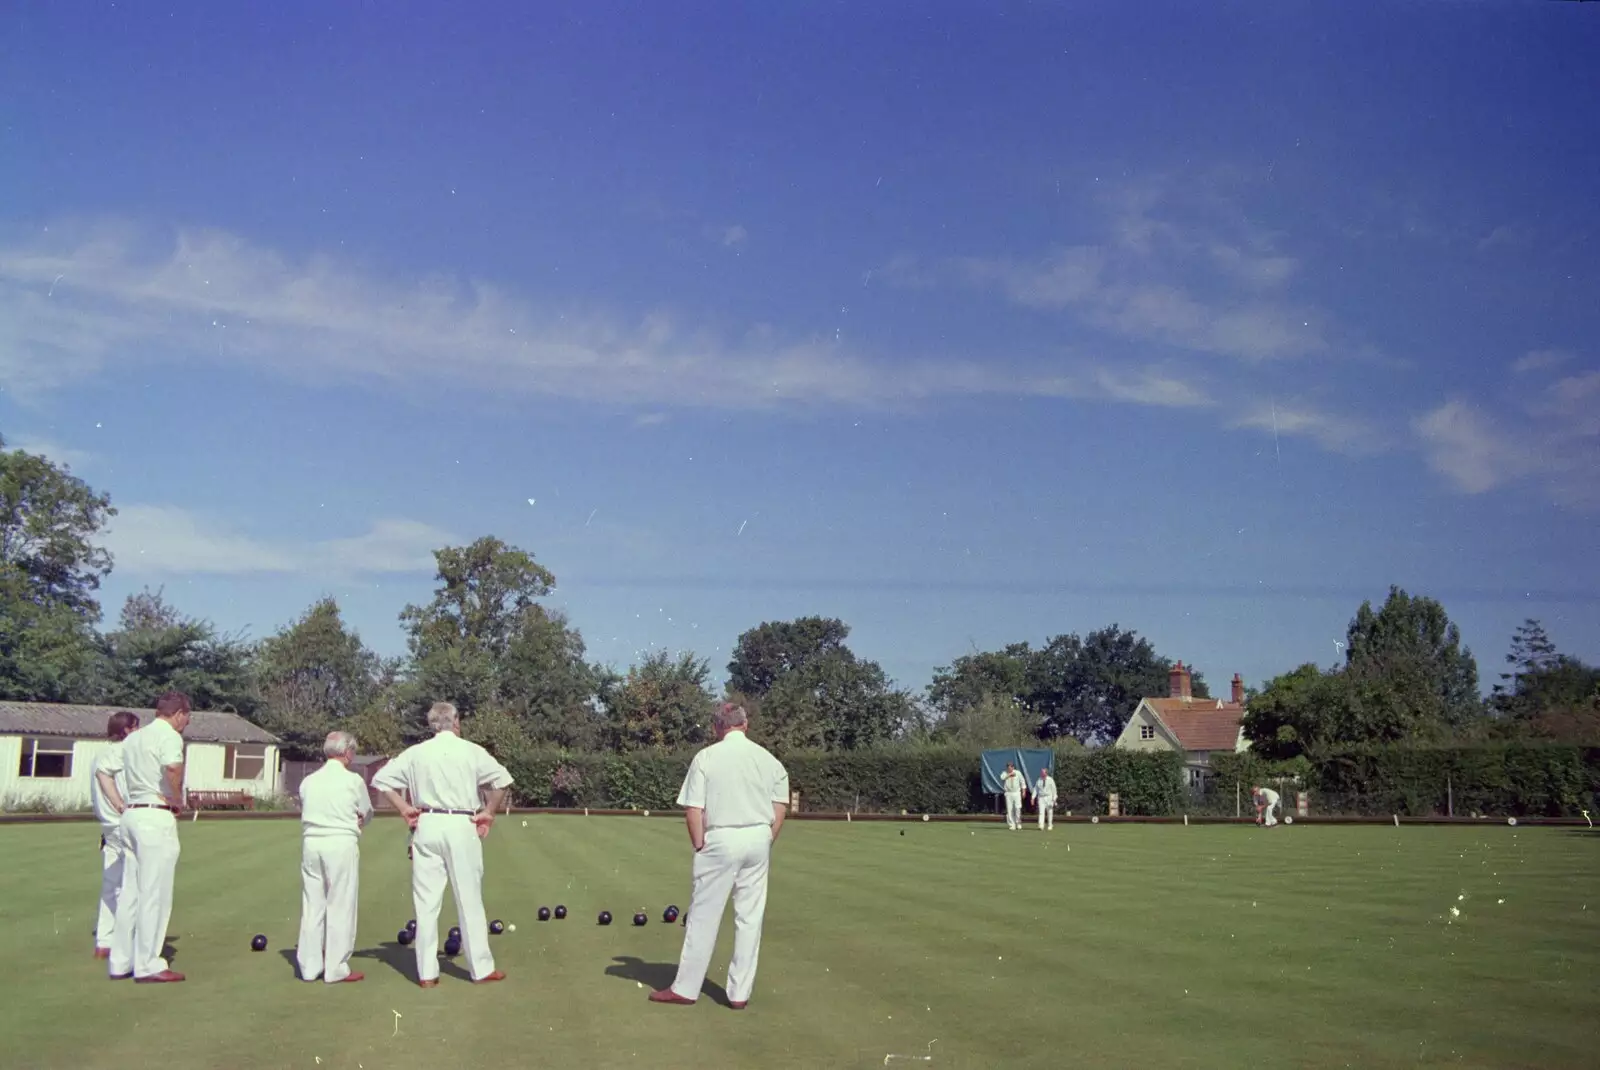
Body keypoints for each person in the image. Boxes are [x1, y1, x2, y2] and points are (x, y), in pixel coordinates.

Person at [650, 702, 789, 1011]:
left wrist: (699, 845)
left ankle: (686, 988)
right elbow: (780, 806)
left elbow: (693, 810)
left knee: (703, 916)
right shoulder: (769, 760)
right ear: (745, 724)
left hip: (720, 839)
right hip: (758, 838)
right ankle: (739, 994)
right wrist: (767, 838)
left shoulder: (706, 757)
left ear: (717, 728)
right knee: (749, 917)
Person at [372, 701, 512, 987]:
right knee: (469, 899)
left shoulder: (415, 753)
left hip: (427, 824)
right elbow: (501, 782)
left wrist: (403, 808)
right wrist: (489, 812)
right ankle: (481, 970)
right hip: (462, 824)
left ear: (432, 724)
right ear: (456, 721)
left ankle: (426, 974)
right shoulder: (471, 750)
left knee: (426, 903)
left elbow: (380, 780)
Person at [108, 691, 190, 984]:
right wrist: (178, 798)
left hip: (130, 815)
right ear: (178, 713)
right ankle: (148, 964)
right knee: (155, 892)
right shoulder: (169, 736)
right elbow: (172, 767)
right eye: (187, 717)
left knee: (131, 891)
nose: (186, 723)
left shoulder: (133, 738)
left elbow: (108, 770)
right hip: (155, 814)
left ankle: (120, 961)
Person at [296, 730, 373, 984]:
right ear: (348, 752)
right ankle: (336, 968)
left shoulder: (308, 781)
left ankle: (309, 967)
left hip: (311, 844)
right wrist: (361, 821)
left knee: (312, 905)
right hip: (340, 843)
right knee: (340, 905)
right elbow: (367, 811)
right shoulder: (353, 781)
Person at [90, 711, 141, 959]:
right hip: (123, 823)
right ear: (127, 730)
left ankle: (104, 941)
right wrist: (121, 805)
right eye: (137, 727)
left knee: (111, 885)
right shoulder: (123, 752)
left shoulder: (98, 753)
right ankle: (126, 942)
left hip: (107, 826)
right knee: (133, 884)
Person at [1000, 761, 1029, 831]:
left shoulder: (1018, 773)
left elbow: (1022, 782)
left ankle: (1018, 823)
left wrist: (1023, 792)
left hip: (1016, 793)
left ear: (1013, 767)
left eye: (1010, 768)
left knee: (1017, 808)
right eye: (1008, 768)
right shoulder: (1005, 773)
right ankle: (1012, 825)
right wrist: (1009, 775)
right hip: (1008, 793)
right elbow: (1002, 778)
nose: (1009, 769)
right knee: (1009, 809)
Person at [1034, 765, 1057, 831]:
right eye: (1041, 773)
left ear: (1046, 773)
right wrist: (1033, 797)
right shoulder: (1039, 780)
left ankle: (1050, 825)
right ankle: (1041, 825)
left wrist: (1054, 799)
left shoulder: (1050, 780)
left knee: (1049, 811)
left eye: (1043, 773)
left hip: (1049, 797)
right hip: (1041, 798)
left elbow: (1054, 790)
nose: (1042, 774)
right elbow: (1036, 789)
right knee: (1041, 812)